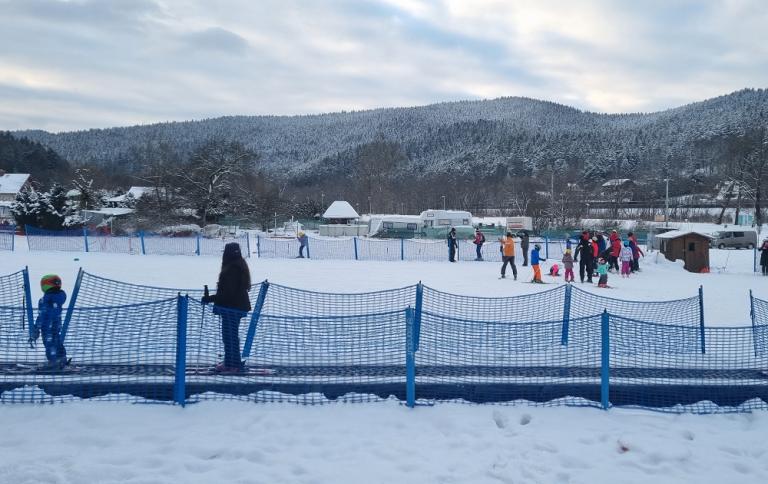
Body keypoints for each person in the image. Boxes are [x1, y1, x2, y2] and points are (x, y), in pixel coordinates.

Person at [201, 242, 252, 372]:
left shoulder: (232, 269)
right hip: (236, 307)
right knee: (230, 335)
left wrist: (210, 298)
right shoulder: (238, 265)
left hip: (232, 308)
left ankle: (232, 364)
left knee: (229, 336)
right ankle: (232, 361)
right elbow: (228, 291)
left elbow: (228, 293)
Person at [29, 274, 68, 370]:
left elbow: (42, 315)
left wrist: (36, 328)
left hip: (47, 326)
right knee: (57, 341)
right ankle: (61, 358)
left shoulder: (46, 299)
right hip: (56, 325)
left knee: (49, 344)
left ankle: (53, 362)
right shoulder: (59, 298)